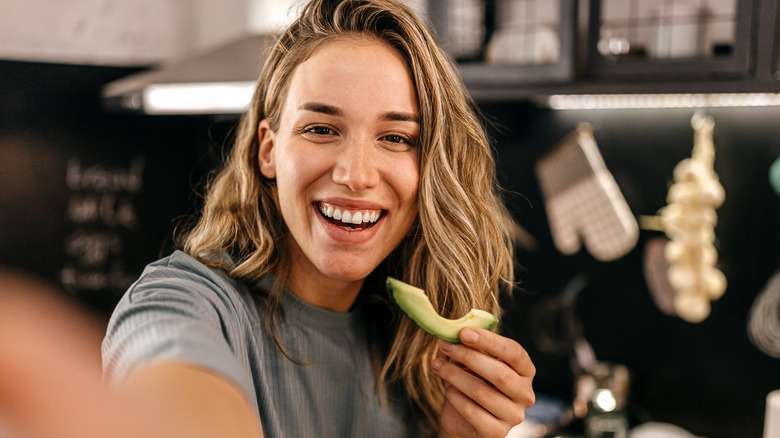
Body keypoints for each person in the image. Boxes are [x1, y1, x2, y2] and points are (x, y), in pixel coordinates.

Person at [101, 0, 536, 437]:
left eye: (396, 137)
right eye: (322, 129)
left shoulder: (418, 352)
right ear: (268, 150)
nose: (356, 175)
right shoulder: (184, 304)